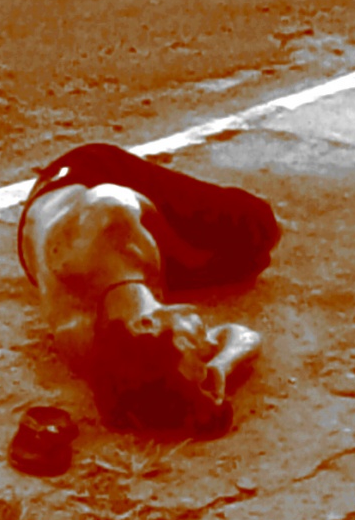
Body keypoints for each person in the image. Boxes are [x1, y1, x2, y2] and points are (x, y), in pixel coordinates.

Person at [17, 142, 281, 437]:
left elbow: (157, 222)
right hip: (79, 248)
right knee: (248, 263)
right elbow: (245, 337)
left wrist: (191, 258)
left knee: (259, 224)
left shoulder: (111, 217)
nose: (204, 340)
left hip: (86, 175)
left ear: (146, 323)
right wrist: (220, 366)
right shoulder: (126, 350)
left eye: (192, 344)